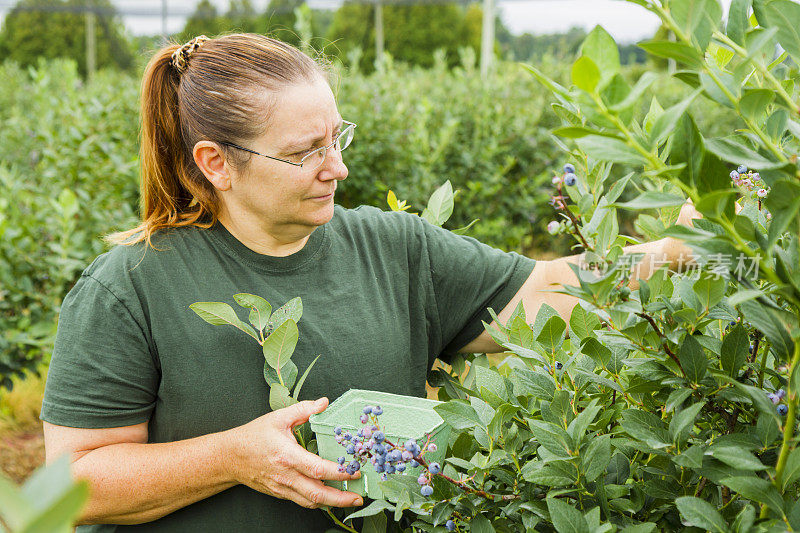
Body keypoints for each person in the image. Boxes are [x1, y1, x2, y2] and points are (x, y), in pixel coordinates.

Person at [40, 34, 697, 532]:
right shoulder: (130, 286)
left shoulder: (394, 250)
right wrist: (234, 457)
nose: (339, 168)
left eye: (337, 137)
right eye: (306, 153)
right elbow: (70, 482)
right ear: (217, 163)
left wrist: (677, 249)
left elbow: (551, 288)